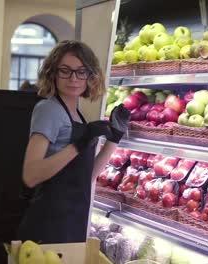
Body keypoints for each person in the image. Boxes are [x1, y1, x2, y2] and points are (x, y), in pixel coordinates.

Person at [17, 40, 130, 243]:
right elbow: (30, 175)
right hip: (48, 224)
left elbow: (86, 177)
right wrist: (79, 144)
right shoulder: (48, 109)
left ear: (90, 76)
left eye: (81, 71)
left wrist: (114, 138)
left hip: (73, 221)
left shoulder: (77, 114)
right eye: (65, 71)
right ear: (53, 73)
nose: (73, 78)